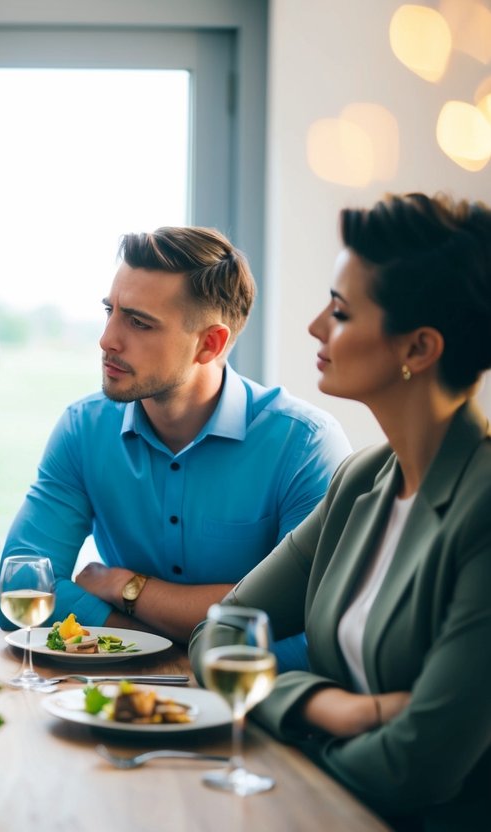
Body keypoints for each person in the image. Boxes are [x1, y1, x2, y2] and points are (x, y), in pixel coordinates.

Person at [191, 193, 491, 829]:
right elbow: (217, 634)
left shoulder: (483, 504)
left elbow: (420, 763)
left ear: (418, 349)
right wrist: (327, 707)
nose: (315, 326)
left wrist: (283, 780)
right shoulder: (360, 480)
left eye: (342, 311)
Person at [0, 226, 351, 659]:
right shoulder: (83, 429)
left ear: (210, 343)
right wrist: (154, 643)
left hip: (256, 711)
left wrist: (124, 587)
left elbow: (311, 617)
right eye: (111, 310)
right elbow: (22, 590)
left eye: (139, 322)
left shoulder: (305, 446)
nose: (107, 339)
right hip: (118, 700)